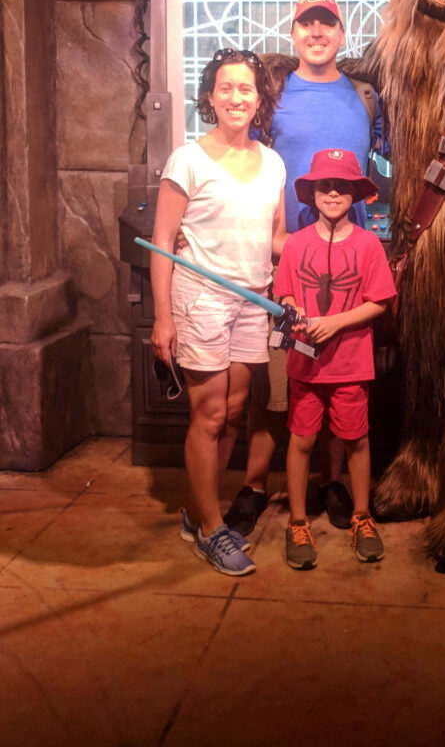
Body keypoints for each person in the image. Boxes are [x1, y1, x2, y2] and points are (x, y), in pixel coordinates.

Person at [223, 0, 384, 538]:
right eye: (306, 25)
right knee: (275, 385)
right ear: (293, 35)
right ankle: (254, 484)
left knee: (338, 379)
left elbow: (379, 174)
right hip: (283, 261)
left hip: (348, 268)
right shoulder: (273, 92)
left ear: (341, 35)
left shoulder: (366, 97)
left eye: (327, 24)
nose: (317, 33)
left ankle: (333, 483)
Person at [150, 48, 287, 577]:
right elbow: (162, 241)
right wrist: (164, 317)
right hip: (201, 299)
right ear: (209, 96)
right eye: (225, 87)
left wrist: (325, 244)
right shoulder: (188, 158)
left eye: (246, 89)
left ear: (259, 100)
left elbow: (274, 239)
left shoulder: (273, 162)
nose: (236, 97)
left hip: (253, 302)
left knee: (232, 413)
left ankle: (201, 512)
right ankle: (210, 529)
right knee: (208, 415)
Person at [272, 148, 396, 569]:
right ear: (311, 193)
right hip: (305, 365)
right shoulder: (296, 245)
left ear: (355, 195)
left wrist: (337, 322)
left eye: (342, 187)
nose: (332, 193)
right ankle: (298, 521)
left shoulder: (368, 245)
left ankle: (362, 516)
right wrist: (296, 310)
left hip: (350, 364)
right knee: (301, 439)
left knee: (356, 439)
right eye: (325, 185)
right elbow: (285, 292)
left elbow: (379, 300)